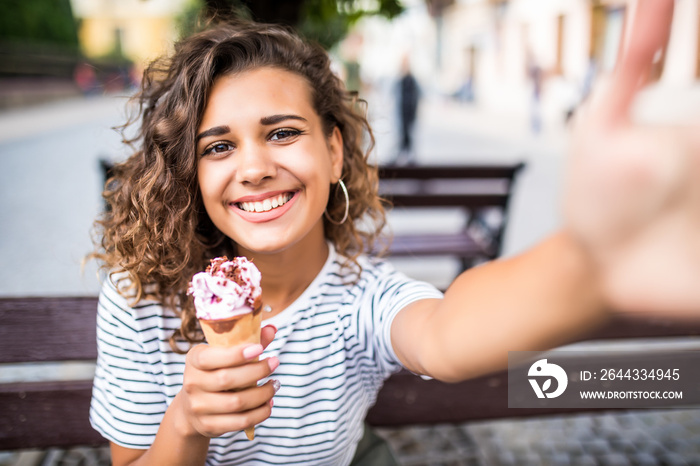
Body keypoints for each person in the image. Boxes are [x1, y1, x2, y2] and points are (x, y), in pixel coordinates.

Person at [88, 2, 699, 465]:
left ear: (332, 151)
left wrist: (593, 263)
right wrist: (188, 424)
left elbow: (446, 335)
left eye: (282, 133)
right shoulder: (139, 300)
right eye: (218, 146)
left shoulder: (362, 298)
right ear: (190, 174)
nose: (253, 167)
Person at [394, 55, 420, 164]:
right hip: (404, 110)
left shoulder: (410, 80)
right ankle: (404, 153)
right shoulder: (402, 79)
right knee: (404, 133)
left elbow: (415, 96)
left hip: (408, 110)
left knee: (407, 133)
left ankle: (408, 154)